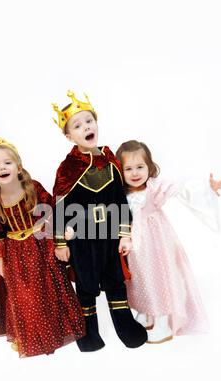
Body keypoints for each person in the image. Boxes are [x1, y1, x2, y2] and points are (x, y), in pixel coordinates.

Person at [51, 91, 148, 352]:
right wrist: (60, 241)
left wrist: (125, 233)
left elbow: (120, 200)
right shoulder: (67, 168)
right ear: (69, 136)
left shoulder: (111, 162)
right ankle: (89, 335)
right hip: (82, 239)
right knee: (86, 285)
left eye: (89, 121)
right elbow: (59, 206)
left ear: (96, 123)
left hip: (109, 235)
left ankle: (126, 328)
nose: (86, 127)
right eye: (78, 125)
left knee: (116, 282)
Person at [116, 139, 221, 343]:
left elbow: (182, 189)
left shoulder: (154, 188)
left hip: (155, 241)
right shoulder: (121, 192)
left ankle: (162, 322)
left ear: (149, 167)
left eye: (140, 167)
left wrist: (207, 187)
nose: (135, 173)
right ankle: (145, 312)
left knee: (158, 279)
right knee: (138, 278)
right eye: (129, 168)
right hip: (133, 243)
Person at [0, 137, 85, 357]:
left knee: (49, 289)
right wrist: (1, 263)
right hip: (15, 255)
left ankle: (55, 331)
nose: (2, 167)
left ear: (18, 167)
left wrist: (62, 231)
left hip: (40, 245)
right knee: (24, 297)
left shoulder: (32, 187)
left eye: (7, 163)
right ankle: (31, 337)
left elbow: (51, 208)